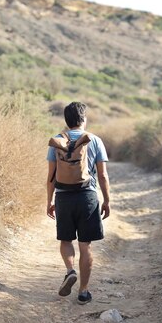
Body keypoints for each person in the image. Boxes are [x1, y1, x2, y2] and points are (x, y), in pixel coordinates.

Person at [46, 101, 110, 305]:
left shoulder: (56, 141)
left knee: (66, 240)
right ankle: (83, 291)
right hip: (87, 197)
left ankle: (70, 270)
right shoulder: (95, 141)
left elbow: (50, 176)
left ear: (66, 120)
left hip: (63, 196)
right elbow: (103, 175)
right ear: (83, 119)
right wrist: (107, 201)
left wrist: (50, 201)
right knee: (85, 246)